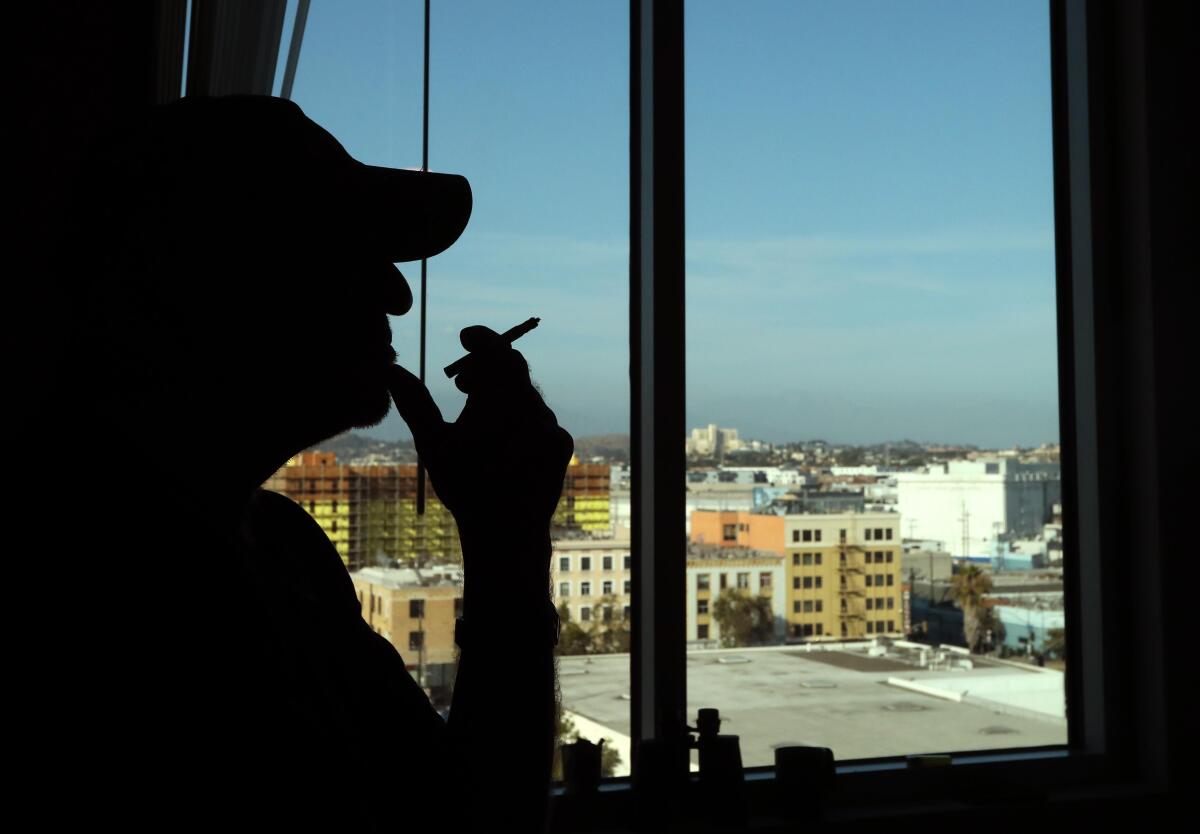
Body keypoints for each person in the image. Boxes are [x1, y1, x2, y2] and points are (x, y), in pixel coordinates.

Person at [21, 95, 573, 832]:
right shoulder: (125, 586)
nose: (397, 292)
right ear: (203, 274)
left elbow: (458, 814)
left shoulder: (281, 551)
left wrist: (505, 535)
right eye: (345, 248)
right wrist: (507, 540)